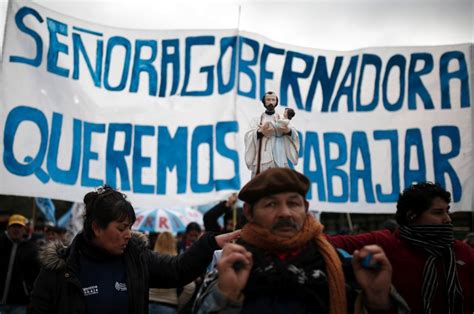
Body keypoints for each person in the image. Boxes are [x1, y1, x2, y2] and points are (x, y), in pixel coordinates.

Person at [193, 168, 409, 314]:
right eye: (271, 205)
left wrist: (379, 300)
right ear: (249, 212)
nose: (285, 213)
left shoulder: (340, 263)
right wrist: (225, 296)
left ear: (305, 208)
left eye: (293, 204)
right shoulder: (230, 263)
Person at [29, 185, 239, 314]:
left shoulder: (136, 258)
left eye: (130, 227)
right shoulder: (59, 270)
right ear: (96, 228)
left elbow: (178, 269)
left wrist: (211, 243)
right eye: (121, 228)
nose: (128, 234)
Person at [329, 182, 474, 314]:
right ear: (411, 215)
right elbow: (324, 243)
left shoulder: (464, 253)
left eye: (447, 211)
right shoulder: (384, 244)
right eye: (438, 212)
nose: (447, 219)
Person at [244, 91, 299, 177]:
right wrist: (259, 132)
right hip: (262, 161)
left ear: (276, 102)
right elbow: (248, 136)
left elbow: (294, 133)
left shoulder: (282, 119)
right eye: (268, 100)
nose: (270, 102)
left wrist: (288, 131)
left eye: (273, 100)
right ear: (264, 102)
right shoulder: (257, 120)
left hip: (279, 160)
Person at [0, 214, 40, 314]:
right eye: (13, 226)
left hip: (20, 303)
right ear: (8, 228)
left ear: (24, 229)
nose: (16, 229)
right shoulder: (0, 243)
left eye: (19, 226)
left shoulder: (33, 249)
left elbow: (36, 275)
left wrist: (30, 293)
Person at [149, 232, 195, 314]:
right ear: (174, 243)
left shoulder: (150, 260)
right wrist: (178, 304)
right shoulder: (176, 262)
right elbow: (190, 287)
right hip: (168, 306)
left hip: (148, 305)